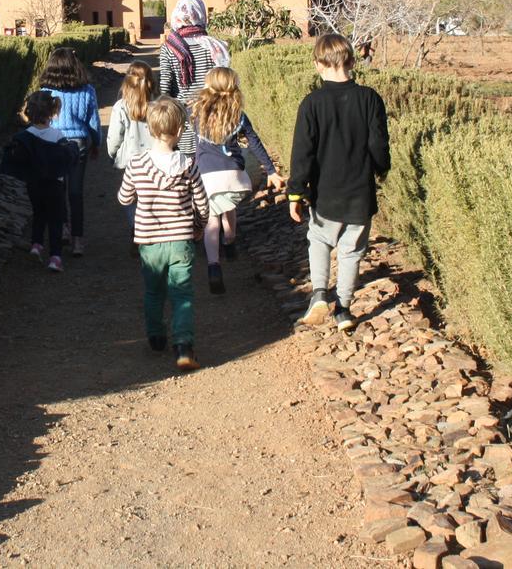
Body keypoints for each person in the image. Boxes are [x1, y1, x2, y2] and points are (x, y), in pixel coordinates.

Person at [287, 34, 390, 332]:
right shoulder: (370, 98)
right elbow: (378, 145)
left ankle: (319, 293)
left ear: (318, 65)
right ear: (353, 62)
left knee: (319, 240)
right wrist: (381, 169)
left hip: (325, 193)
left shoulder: (312, 103)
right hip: (360, 191)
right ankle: (343, 309)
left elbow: (302, 153)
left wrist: (295, 192)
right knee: (352, 250)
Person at [117, 97, 210, 372]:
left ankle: (156, 335)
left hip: (149, 240)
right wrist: (199, 226)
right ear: (180, 130)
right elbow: (203, 204)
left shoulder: (137, 164)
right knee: (182, 293)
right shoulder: (188, 165)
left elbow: (124, 199)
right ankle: (183, 345)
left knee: (153, 291)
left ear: (149, 129)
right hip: (181, 237)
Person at [191, 67, 286, 293]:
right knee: (229, 208)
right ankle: (231, 239)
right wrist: (271, 170)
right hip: (233, 175)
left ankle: (214, 266)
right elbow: (255, 143)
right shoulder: (238, 115)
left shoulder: (197, 112)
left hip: (207, 175)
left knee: (211, 220)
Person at [1, 90, 79, 273]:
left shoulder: (25, 136)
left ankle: (36, 245)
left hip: (34, 183)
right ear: (51, 112)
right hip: (55, 184)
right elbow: (65, 157)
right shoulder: (57, 134)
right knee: (56, 219)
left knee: (38, 214)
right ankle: (55, 257)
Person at [38, 47, 101, 257]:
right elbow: (93, 121)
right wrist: (97, 143)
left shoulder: (45, 92)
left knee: (58, 189)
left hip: (52, 142)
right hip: (79, 142)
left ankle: (62, 228)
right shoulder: (87, 90)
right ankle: (78, 241)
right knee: (76, 193)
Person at [159, 0, 230, 155]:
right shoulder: (214, 46)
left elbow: (165, 90)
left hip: (181, 126)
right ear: (200, 14)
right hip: (212, 122)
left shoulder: (169, 48)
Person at [106, 61, 157, 226]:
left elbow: (114, 137)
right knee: (154, 197)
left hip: (129, 160)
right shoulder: (158, 105)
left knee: (131, 198)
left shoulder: (120, 107)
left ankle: (136, 230)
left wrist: (113, 154)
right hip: (155, 159)